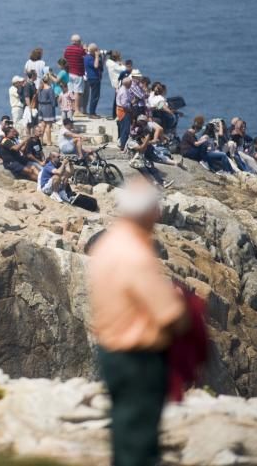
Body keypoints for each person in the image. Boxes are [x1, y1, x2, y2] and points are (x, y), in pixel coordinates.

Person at [89, 179, 189, 466]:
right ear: (146, 214)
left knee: (124, 430)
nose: (159, 215)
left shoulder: (107, 245)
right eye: (155, 209)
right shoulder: (135, 254)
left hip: (109, 349)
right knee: (141, 438)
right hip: (138, 357)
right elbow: (169, 315)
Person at [63, 34, 87, 115]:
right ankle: (77, 110)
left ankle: (71, 109)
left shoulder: (67, 49)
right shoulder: (80, 50)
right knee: (77, 92)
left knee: (71, 92)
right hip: (78, 73)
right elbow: (85, 57)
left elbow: (65, 59)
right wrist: (84, 48)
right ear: (78, 42)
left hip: (69, 73)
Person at [83, 43, 103, 118]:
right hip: (93, 78)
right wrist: (97, 56)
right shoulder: (89, 58)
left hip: (92, 78)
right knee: (95, 96)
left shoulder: (87, 57)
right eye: (96, 50)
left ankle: (93, 112)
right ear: (93, 51)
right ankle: (92, 113)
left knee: (95, 96)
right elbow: (96, 65)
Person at [105, 50, 125, 119]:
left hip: (116, 83)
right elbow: (124, 69)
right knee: (117, 99)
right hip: (118, 83)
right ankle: (116, 115)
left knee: (116, 99)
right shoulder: (113, 65)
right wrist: (121, 63)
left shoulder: (109, 62)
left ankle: (115, 114)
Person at [36, 77, 57, 145]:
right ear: (49, 81)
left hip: (40, 107)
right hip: (48, 108)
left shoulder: (40, 88)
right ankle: (48, 141)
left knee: (43, 125)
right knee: (48, 125)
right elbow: (53, 100)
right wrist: (55, 105)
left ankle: (41, 141)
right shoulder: (49, 89)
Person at [116, 77, 133, 151]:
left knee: (124, 128)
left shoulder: (122, 89)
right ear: (127, 83)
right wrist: (130, 110)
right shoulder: (124, 91)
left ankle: (123, 144)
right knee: (125, 129)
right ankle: (123, 145)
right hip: (123, 111)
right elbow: (124, 104)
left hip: (121, 110)